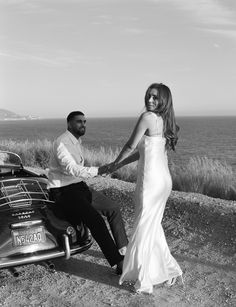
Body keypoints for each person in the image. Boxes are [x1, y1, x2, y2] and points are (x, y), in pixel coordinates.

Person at [107, 83, 183, 293]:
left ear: (163, 100)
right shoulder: (166, 121)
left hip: (151, 182)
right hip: (163, 181)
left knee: (143, 226)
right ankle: (169, 270)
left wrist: (113, 163)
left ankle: (144, 279)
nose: (149, 100)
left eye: (155, 98)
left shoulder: (147, 117)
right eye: (148, 96)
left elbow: (131, 145)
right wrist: (120, 164)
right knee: (152, 226)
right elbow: (143, 151)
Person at [47, 111, 128, 274]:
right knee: (96, 220)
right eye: (79, 122)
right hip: (62, 191)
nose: (83, 124)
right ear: (69, 124)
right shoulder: (62, 142)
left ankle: (124, 252)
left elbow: (78, 173)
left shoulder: (77, 141)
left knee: (113, 208)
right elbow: (72, 169)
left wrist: (99, 170)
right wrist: (98, 170)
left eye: (84, 122)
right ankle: (119, 263)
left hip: (78, 187)